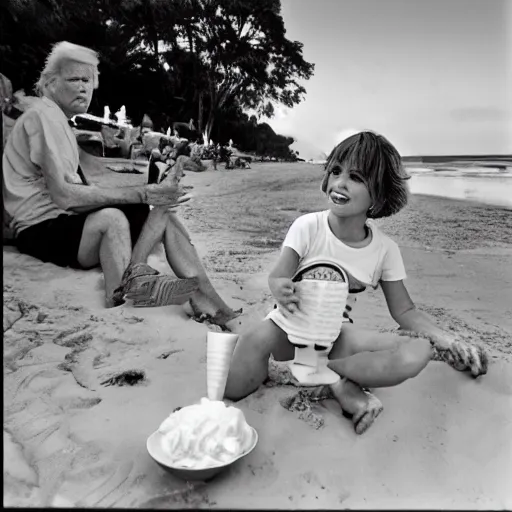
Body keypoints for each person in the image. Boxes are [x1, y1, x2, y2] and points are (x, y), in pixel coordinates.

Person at [225, 131, 488, 433]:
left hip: (335, 339)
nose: (340, 183)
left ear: (378, 194)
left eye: (356, 177)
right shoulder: (308, 227)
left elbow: (404, 311)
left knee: (417, 353)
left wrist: (447, 339)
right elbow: (277, 276)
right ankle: (328, 380)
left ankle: (327, 375)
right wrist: (279, 286)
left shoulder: (384, 250)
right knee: (236, 380)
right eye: (336, 171)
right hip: (286, 332)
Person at [2, 41, 241, 327]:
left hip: (66, 222)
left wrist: (150, 195)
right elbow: (65, 196)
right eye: (74, 79)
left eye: (88, 80)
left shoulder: (59, 122)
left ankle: (204, 295)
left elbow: (85, 184)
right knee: (113, 218)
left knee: (162, 212)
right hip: (39, 228)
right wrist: (141, 193)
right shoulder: (42, 116)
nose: (83, 88)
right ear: (51, 83)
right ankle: (122, 294)